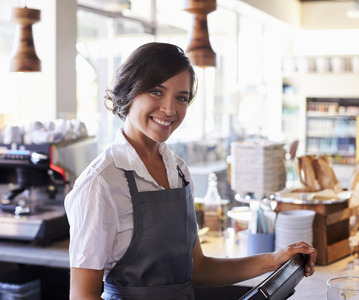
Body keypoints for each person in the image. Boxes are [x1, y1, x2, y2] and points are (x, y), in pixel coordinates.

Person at [65, 42, 316, 300]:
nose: (170, 109)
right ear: (129, 91)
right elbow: (83, 296)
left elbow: (199, 268)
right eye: (156, 91)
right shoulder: (101, 183)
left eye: (181, 98)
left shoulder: (178, 171)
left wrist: (274, 260)